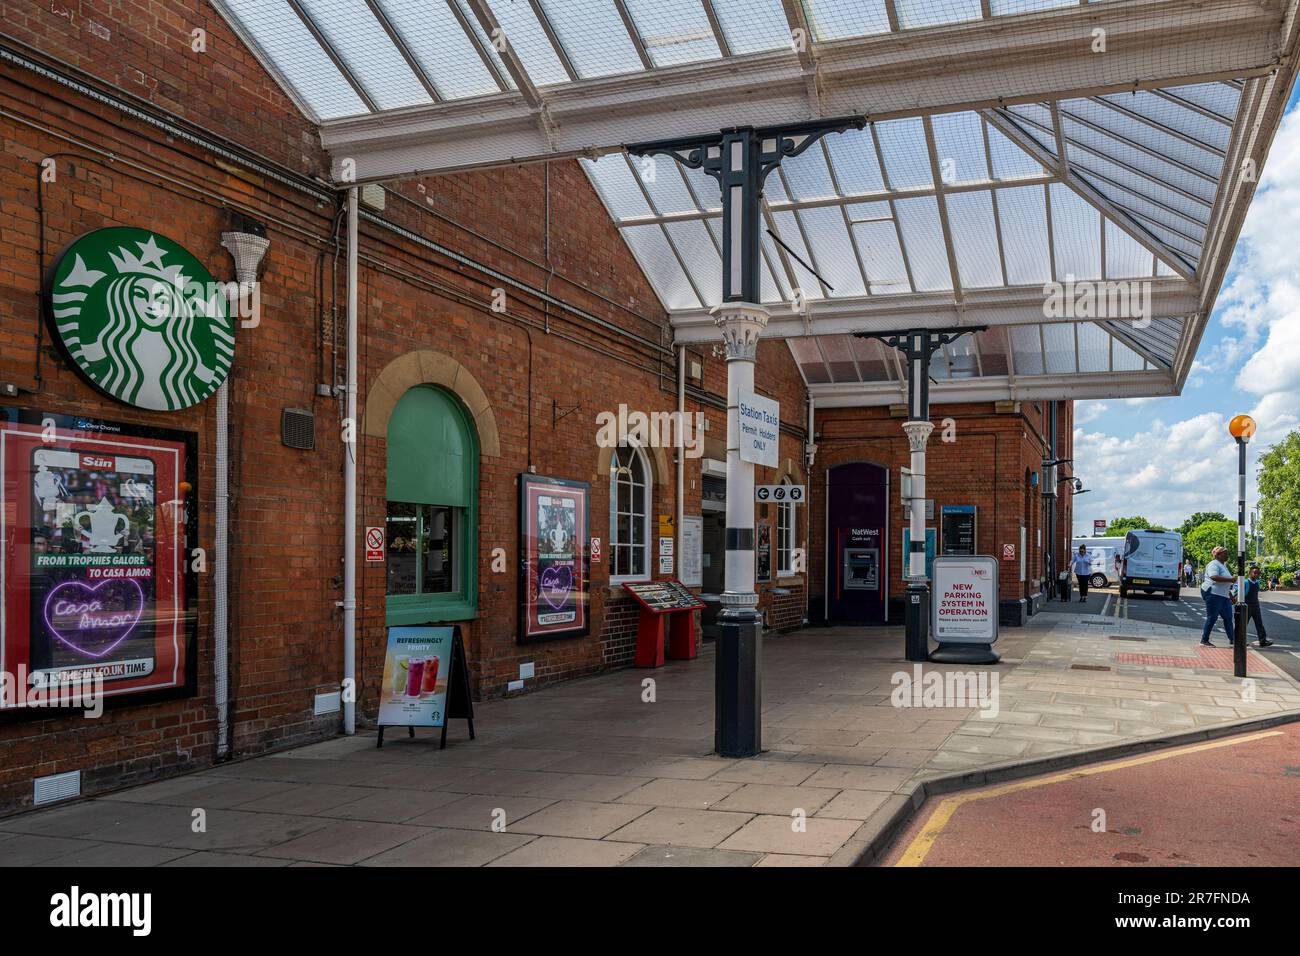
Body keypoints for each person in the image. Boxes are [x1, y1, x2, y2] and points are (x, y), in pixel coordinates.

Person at [1200, 546, 1236, 647]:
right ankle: (1204, 640)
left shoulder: (1223, 565)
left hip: (1223, 595)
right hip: (1213, 593)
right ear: (1218, 555)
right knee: (1212, 617)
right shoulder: (1213, 564)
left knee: (1228, 617)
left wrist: (1230, 596)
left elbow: (1225, 584)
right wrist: (1230, 580)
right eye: (1225, 553)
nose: (1227, 555)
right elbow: (1214, 577)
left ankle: (1233, 640)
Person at [1244, 565, 1274, 647]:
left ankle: (1262, 641)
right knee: (1243, 624)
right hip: (1247, 606)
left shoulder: (1257, 582)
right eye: (1255, 573)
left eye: (1258, 573)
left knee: (1259, 624)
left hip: (1256, 606)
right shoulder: (1246, 582)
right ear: (1250, 573)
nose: (1257, 575)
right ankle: (1241, 640)